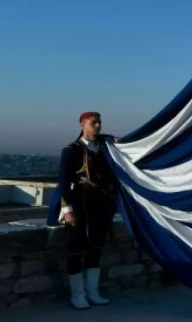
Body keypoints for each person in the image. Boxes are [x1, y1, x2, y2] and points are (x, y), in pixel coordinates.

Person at [57, 112, 118, 310]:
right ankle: (78, 295)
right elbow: (64, 182)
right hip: (79, 203)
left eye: (99, 122)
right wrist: (67, 210)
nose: (98, 126)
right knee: (75, 249)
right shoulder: (71, 151)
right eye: (93, 123)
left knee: (95, 249)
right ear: (82, 124)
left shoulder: (105, 149)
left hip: (100, 206)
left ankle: (92, 292)